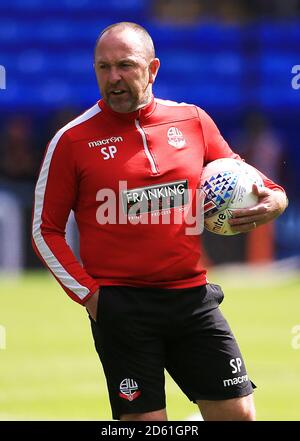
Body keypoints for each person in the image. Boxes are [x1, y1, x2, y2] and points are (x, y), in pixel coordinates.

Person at [32, 22, 288, 421]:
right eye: (103, 67)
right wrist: (92, 297)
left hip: (192, 299)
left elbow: (247, 177)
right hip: (122, 307)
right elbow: (44, 230)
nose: (113, 77)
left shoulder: (193, 121)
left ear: (152, 69)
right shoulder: (71, 141)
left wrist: (276, 199)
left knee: (239, 415)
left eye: (125, 66)